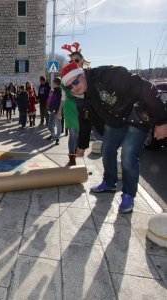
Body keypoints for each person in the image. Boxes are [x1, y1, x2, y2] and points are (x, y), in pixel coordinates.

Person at [60, 61, 167, 213]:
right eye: (70, 86)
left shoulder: (106, 75)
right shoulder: (80, 97)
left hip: (136, 116)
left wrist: (162, 121)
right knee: (107, 149)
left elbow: (146, 87)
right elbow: (84, 121)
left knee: (128, 155)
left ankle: (128, 195)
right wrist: (82, 145)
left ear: (82, 75)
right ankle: (110, 183)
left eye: (76, 81)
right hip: (115, 121)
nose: (75, 87)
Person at [59, 42, 91, 165]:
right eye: (71, 61)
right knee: (73, 133)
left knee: (80, 132)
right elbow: (63, 96)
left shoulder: (88, 76)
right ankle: (72, 157)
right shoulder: (66, 78)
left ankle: (79, 148)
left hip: (83, 108)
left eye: (76, 60)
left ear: (82, 60)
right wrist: (59, 111)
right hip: (70, 107)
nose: (74, 62)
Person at [46, 77, 63, 145]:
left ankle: (57, 138)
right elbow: (51, 101)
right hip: (51, 111)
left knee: (58, 125)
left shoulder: (60, 91)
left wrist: (59, 111)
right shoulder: (53, 90)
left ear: (55, 83)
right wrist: (49, 109)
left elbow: (60, 102)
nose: (52, 84)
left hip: (57, 111)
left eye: (53, 83)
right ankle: (52, 135)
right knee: (50, 124)